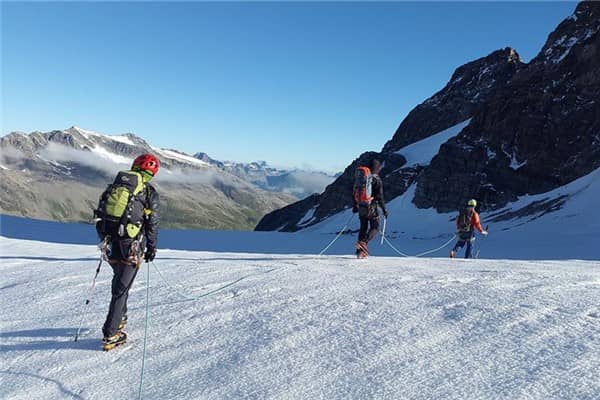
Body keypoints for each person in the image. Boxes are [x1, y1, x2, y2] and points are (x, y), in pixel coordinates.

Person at [94, 154, 160, 350]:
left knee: (119, 279)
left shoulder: (114, 186)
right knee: (121, 289)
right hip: (130, 244)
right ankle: (111, 334)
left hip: (110, 243)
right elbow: (152, 223)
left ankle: (120, 317)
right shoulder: (148, 192)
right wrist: (151, 247)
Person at [352, 159, 388, 259]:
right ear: (377, 168)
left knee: (363, 227)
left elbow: (354, 191)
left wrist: (355, 205)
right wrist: (384, 210)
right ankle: (364, 243)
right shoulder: (376, 179)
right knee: (375, 227)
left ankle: (360, 252)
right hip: (372, 207)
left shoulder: (361, 178)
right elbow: (380, 197)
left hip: (361, 206)